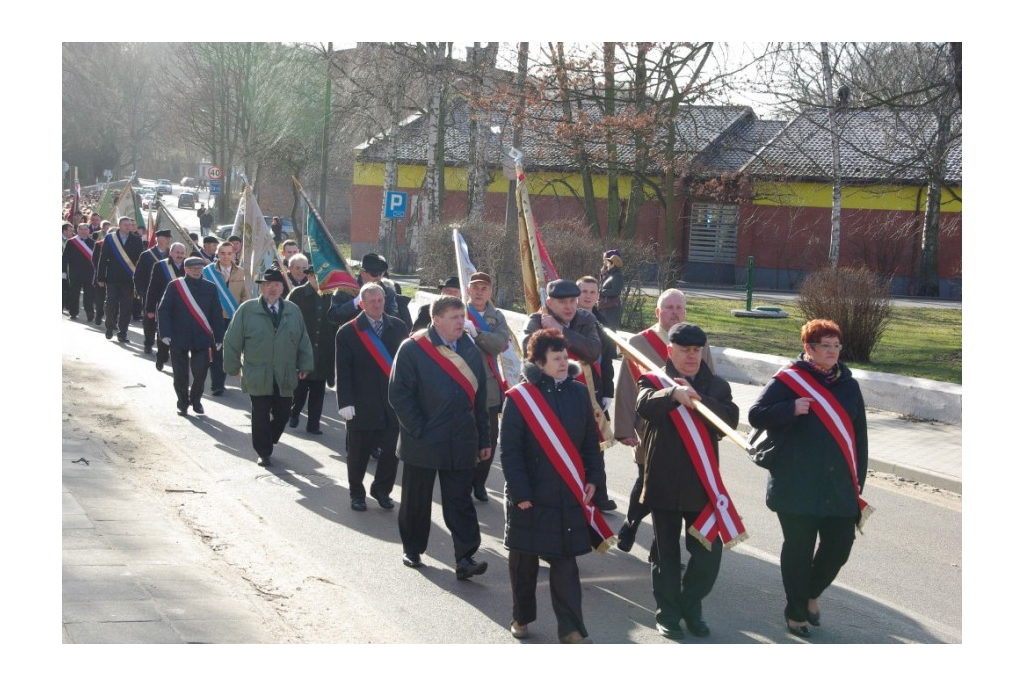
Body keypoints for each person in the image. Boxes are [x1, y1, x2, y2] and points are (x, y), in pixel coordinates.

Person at [748, 318, 869, 638]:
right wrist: (790, 408)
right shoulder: (789, 380)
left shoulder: (848, 384)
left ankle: (810, 593)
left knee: (840, 545)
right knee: (799, 548)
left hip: (838, 484)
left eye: (836, 345)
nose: (832, 352)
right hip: (795, 483)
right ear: (808, 349)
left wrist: (858, 479)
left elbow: (859, 436)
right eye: (824, 346)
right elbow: (755, 415)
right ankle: (796, 611)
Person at [501, 329, 610, 644]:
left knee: (566, 564)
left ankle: (571, 627)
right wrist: (520, 493)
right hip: (530, 497)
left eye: (565, 356)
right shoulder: (520, 399)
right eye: (556, 358)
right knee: (524, 565)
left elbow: (591, 442)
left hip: (567, 494)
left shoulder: (577, 392)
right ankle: (522, 617)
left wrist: (593, 478)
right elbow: (511, 451)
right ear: (539, 362)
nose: (564, 362)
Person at [636, 323, 741, 640]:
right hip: (664, 484)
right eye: (685, 350)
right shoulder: (654, 379)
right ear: (671, 351)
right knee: (666, 556)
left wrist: (696, 400)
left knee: (709, 556)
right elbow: (644, 404)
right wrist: (673, 394)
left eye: (697, 350)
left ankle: (690, 606)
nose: (692, 356)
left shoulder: (717, 386)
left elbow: (729, 423)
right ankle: (667, 614)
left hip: (702, 488)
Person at [388, 295, 490, 579]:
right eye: (455, 317)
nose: (462, 322)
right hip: (422, 439)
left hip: (461, 439)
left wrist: (484, 439)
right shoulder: (412, 349)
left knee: (460, 500)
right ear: (437, 319)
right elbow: (399, 394)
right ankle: (413, 548)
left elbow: (479, 398)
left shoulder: (468, 347)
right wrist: (419, 429)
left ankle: (466, 557)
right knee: (416, 500)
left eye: (462, 316)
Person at [613, 288, 715, 552]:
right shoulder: (639, 342)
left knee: (674, 489)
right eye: (669, 308)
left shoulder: (697, 342)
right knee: (647, 480)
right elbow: (626, 386)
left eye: (679, 308)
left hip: (689, 429)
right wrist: (624, 428)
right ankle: (631, 525)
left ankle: (661, 551)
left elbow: (710, 384)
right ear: (658, 312)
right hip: (651, 424)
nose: (675, 312)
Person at [523, 279, 613, 511]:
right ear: (550, 302)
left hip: (582, 396)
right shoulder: (536, 321)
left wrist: (561, 331)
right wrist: (548, 330)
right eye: (563, 302)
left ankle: (596, 494)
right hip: (549, 399)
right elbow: (529, 355)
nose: (569, 306)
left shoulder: (586, 319)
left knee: (590, 446)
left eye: (573, 301)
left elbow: (593, 351)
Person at [222, 267, 314, 468]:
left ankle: (269, 437)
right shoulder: (247, 310)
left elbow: (303, 339)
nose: (272, 289)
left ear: (282, 288)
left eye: (276, 285)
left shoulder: (292, 310)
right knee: (260, 414)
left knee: (283, 414)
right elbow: (232, 340)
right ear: (261, 288)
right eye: (267, 285)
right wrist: (233, 367)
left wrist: (305, 363)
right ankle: (263, 452)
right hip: (257, 372)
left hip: (284, 372)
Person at [335, 282, 408, 510]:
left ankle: (382, 490)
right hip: (361, 404)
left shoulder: (398, 327)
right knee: (358, 454)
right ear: (362, 304)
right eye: (372, 301)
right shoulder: (348, 331)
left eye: (380, 300)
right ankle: (357, 493)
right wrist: (345, 402)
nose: (377, 305)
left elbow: (406, 366)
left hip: (391, 404)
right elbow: (343, 370)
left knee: (390, 453)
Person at [463, 272, 510, 503]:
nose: (480, 292)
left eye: (484, 288)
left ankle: (479, 483)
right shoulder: (458, 312)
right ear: (468, 289)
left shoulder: (497, 317)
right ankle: (462, 481)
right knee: (463, 438)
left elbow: (499, 344)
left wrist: (477, 333)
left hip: (489, 388)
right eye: (475, 287)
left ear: (490, 291)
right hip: (461, 384)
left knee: (489, 438)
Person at [157, 256, 225, 416]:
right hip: (179, 336)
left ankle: (196, 400)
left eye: (200, 268)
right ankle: (182, 402)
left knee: (200, 372)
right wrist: (165, 333)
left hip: (202, 337)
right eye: (193, 268)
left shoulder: (210, 287)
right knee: (180, 374)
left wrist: (219, 337)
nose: (197, 271)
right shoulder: (175, 286)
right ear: (185, 269)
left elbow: (216, 314)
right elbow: (164, 310)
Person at [576, 275, 618, 512]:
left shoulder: (602, 322)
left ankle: (599, 494)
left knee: (597, 444)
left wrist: (608, 392)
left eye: (593, 292)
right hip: (578, 388)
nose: (588, 296)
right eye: (584, 291)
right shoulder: (569, 319)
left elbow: (609, 360)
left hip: (598, 390)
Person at [286, 261, 338, 434]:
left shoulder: (331, 296)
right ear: (308, 276)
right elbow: (288, 319)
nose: (319, 280)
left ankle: (314, 425)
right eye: (315, 276)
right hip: (303, 350)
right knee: (300, 389)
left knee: (318, 390)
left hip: (323, 350)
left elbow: (336, 323)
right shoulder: (297, 294)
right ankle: (294, 413)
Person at [204, 240, 249, 396]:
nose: (226, 256)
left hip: (233, 317)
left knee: (233, 349)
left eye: (229, 253)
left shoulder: (241, 272)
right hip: (214, 318)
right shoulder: (208, 272)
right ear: (217, 253)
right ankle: (217, 384)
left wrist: (243, 312)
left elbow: (245, 295)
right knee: (217, 350)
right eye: (222, 253)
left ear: (234, 254)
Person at [96, 215, 144, 343]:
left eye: (130, 225)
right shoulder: (110, 238)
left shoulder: (137, 240)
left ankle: (123, 332)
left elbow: (139, 261)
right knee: (110, 304)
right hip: (112, 278)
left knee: (126, 307)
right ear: (119, 226)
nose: (129, 227)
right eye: (126, 225)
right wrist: (100, 277)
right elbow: (103, 259)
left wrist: (139, 279)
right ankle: (110, 326)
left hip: (129, 279)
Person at [327, 252, 399, 327]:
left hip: (379, 336)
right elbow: (333, 317)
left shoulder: (388, 292)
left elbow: (394, 317)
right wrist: (355, 302)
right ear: (362, 273)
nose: (378, 277)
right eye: (374, 274)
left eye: (380, 274)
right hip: (352, 336)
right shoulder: (346, 290)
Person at [146, 243, 188, 372]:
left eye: (182, 253)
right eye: (177, 253)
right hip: (165, 307)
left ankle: (179, 360)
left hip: (183, 308)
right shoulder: (160, 266)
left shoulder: (189, 267)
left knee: (181, 335)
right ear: (171, 252)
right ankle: (161, 357)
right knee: (164, 333)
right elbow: (152, 289)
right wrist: (150, 309)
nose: (180, 255)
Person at [135, 228, 172, 354]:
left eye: (169, 238)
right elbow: (138, 274)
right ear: (158, 238)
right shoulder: (146, 255)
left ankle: (163, 345)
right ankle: (148, 343)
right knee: (149, 319)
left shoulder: (171, 255)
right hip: (150, 292)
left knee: (165, 320)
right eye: (165, 237)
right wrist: (140, 291)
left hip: (168, 293)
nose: (168, 240)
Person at [63, 223, 96, 322]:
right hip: (75, 273)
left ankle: (90, 312)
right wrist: (63, 272)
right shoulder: (71, 242)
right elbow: (64, 258)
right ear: (77, 230)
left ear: (88, 231)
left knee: (89, 295)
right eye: (81, 229)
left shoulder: (93, 243)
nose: (83, 231)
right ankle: (73, 312)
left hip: (89, 273)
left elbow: (96, 259)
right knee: (74, 294)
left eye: (85, 229)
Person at [598, 249, 624, 329]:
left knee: (610, 328)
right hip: (606, 306)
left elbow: (615, 291)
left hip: (611, 307)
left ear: (613, 264)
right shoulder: (611, 274)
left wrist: (602, 292)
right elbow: (603, 284)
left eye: (608, 262)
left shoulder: (617, 275)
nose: (605, 263)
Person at [91, 222, 110, 327]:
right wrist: (100, 274)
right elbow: (94, 260)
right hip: (100, 275)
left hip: (113, 277)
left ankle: (111, 319)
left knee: (112, 300)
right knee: (100, 298)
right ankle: (98, 315)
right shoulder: (99, 244)